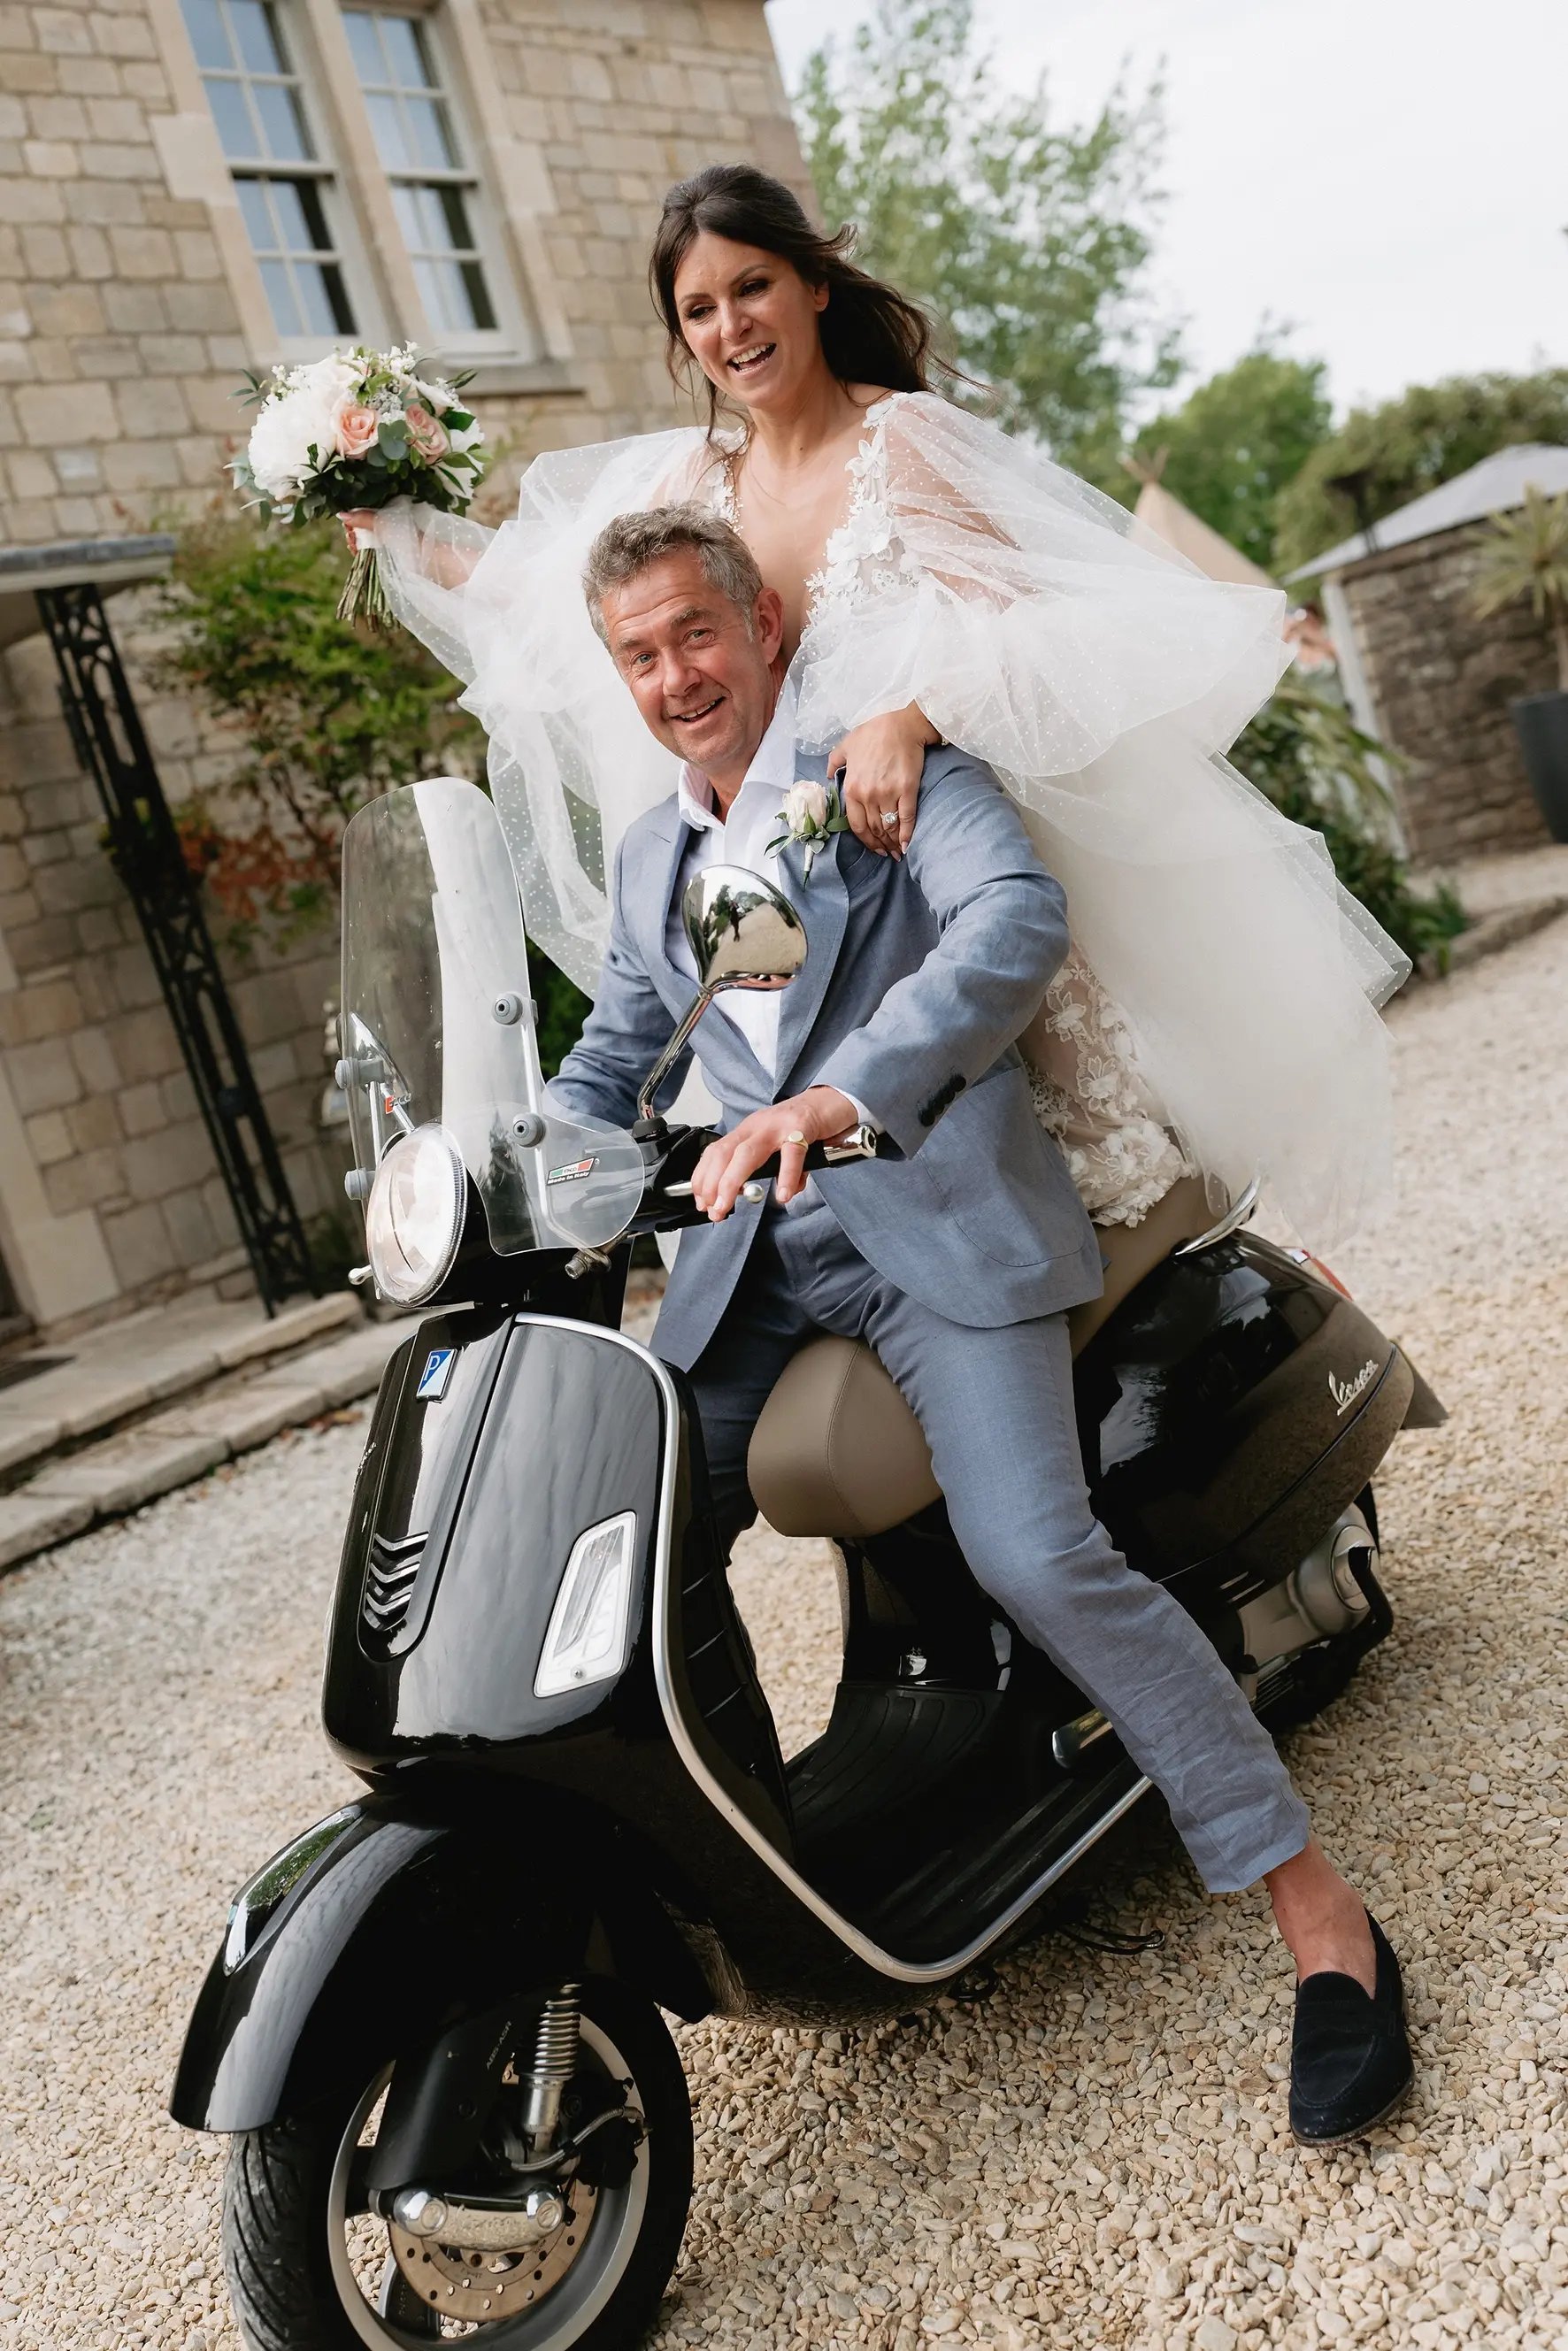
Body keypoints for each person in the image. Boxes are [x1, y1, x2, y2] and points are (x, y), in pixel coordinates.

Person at [546, 501, 1413, 2147]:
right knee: (615, 1531)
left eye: (696, 635)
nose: (676, 676)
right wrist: (506, 1166)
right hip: (757, 1267)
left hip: (930, 1219)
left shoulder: (875, 770)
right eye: (640, 654)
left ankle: (1311, 1903)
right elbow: (615, 1057)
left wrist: (837, 1093)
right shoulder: (654, 852)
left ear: (762, 631)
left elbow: (1008, 924)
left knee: (1035, 1549)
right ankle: (763, 1857)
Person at [351, 163, 1409, 1253]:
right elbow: (545, 591)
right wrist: (393, 525)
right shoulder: (690, 483)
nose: (731, 327)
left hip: (943, 860)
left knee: (1093, 1200)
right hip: (812, 903)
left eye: (750, 287)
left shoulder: (906, 444)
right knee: (857, 1210)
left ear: (813, 283)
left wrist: (916, 713)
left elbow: (1059, 633)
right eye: (699, 311)